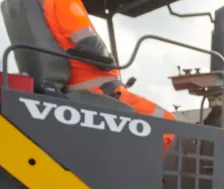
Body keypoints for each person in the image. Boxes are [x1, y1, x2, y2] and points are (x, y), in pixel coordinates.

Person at [40, 0, 177, 148]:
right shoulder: (65, 2)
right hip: (101, 91)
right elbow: (93, 48)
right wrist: (109, 62)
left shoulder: (45, 6)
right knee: (172, 129)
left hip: (88, 88)